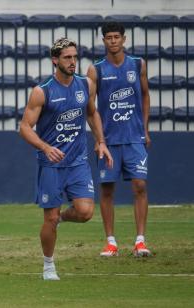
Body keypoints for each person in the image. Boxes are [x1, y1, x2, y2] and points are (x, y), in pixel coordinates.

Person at [20, 38, 113, 280]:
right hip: (51, 164)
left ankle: (60, 219)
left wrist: (101, 141)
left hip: (78, 162)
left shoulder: (86, 85)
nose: (73, 62)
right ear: (55, 60)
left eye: (74, 57)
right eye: (67, 57)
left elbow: (92, 113)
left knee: (85, 212)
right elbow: (25, 127)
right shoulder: (42, 91)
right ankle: (48, 265)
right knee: (48, 217)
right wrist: (44, 146)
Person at [86, 22, 152, 257]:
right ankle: (111, 242)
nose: (113, 41)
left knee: (140, 185)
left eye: (116, 37)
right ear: (103, 40)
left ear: (124, 39)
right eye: (108, 37)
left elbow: (145, 96)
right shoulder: (96, 70)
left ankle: (140, 241)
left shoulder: (138, 65)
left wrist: (145, 129)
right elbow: (89, 106)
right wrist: (98, 138)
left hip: (134, 137)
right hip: (109, 141)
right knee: (106, 189)